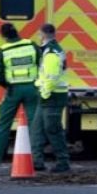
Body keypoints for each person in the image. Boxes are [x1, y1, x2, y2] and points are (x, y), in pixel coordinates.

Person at [0, 22, 42, 171]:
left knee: (3, 125)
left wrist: (7, 85)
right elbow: (41, 64)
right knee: (34, 126)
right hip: (32, 88)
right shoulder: (31, 45)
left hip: (13, 90)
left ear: (3, 36)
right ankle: (37, 161)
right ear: (17, 32)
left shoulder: (2, 50)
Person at [31, 23, 70, 173]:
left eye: (39, 35)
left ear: (43, 35)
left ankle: (63, 162)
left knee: (52, 129)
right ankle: (37, 162)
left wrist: (45, 92)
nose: (39, 38)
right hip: (47, 96)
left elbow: (52, 77)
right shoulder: (50, 50)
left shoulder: (52, 52)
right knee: (37, 129)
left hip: (52, 96)